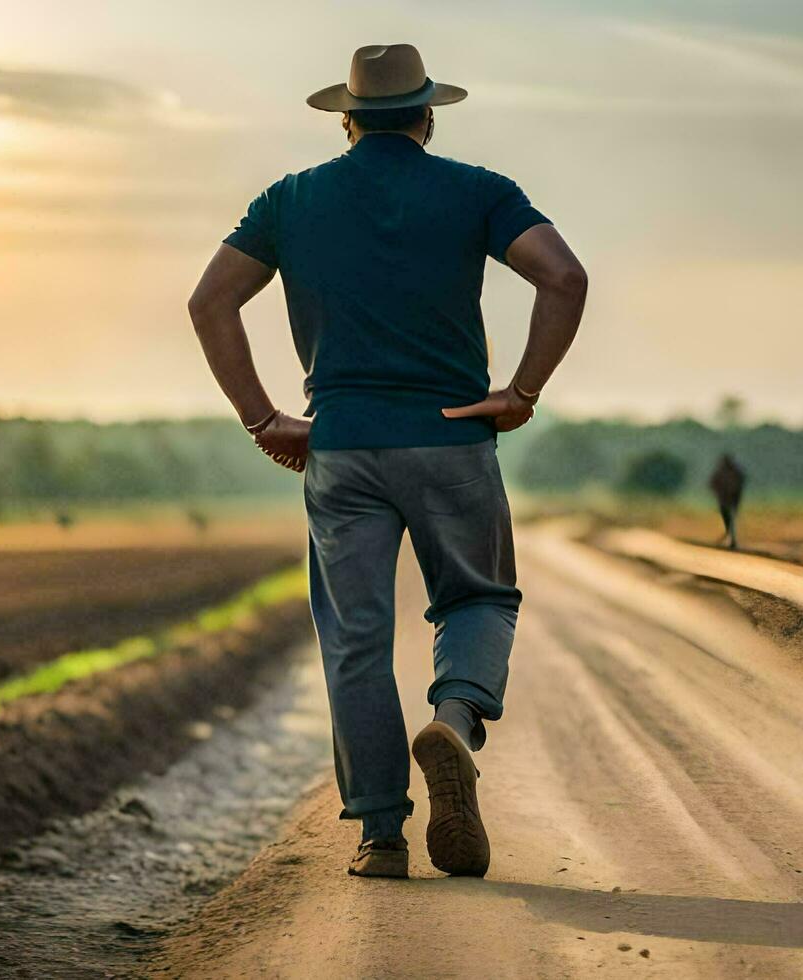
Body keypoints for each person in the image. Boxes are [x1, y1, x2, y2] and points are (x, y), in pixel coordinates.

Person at [188, 44, 587, 879]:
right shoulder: (479, 190)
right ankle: (454, 720)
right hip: (451, 440)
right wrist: (521, 391)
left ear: (345, 118)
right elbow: (563, 277)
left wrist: (264, 418)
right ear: (428, 114)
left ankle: (381, 835)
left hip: (342, 448)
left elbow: (210, 300)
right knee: (478, 597)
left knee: (355, 639)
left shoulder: (289, 200)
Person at [709, 453, 746, 550]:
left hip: (731, 499)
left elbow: (739, 484)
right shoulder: (723, 472)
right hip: (725, 500)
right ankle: (730, 537)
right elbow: (713, 484)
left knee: (731, 520)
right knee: (729, 519)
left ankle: (731, 538)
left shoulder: (734, 472)